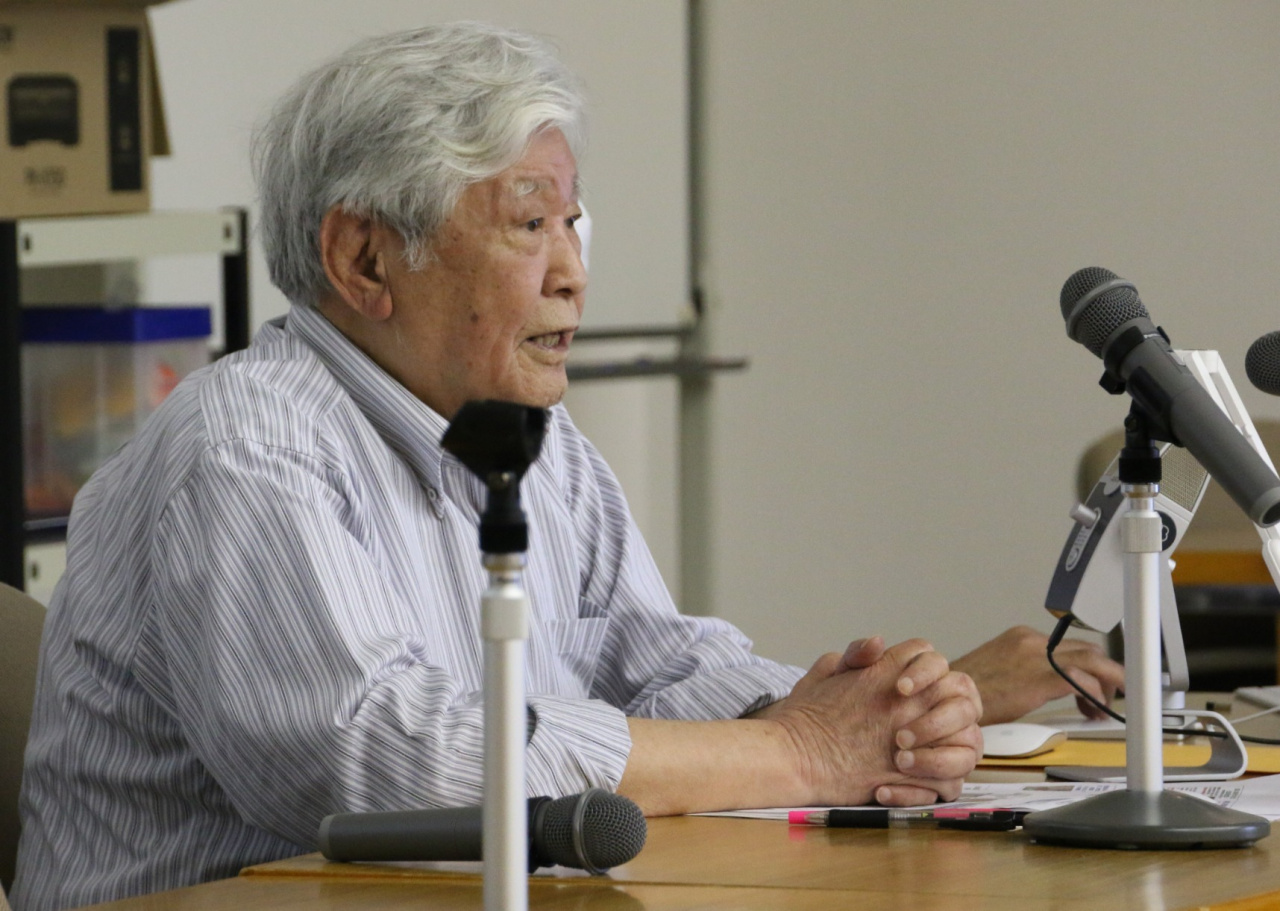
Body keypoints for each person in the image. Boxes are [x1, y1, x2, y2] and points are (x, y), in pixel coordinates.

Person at [10, 22, 1123, 911]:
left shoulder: (535, 446)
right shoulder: (242, 445)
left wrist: (867, 713)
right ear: (363, 259)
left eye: (574, 224)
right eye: (528, 223)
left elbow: (656, 661)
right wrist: (794, 750)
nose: (573, 275)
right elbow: (381, 767)